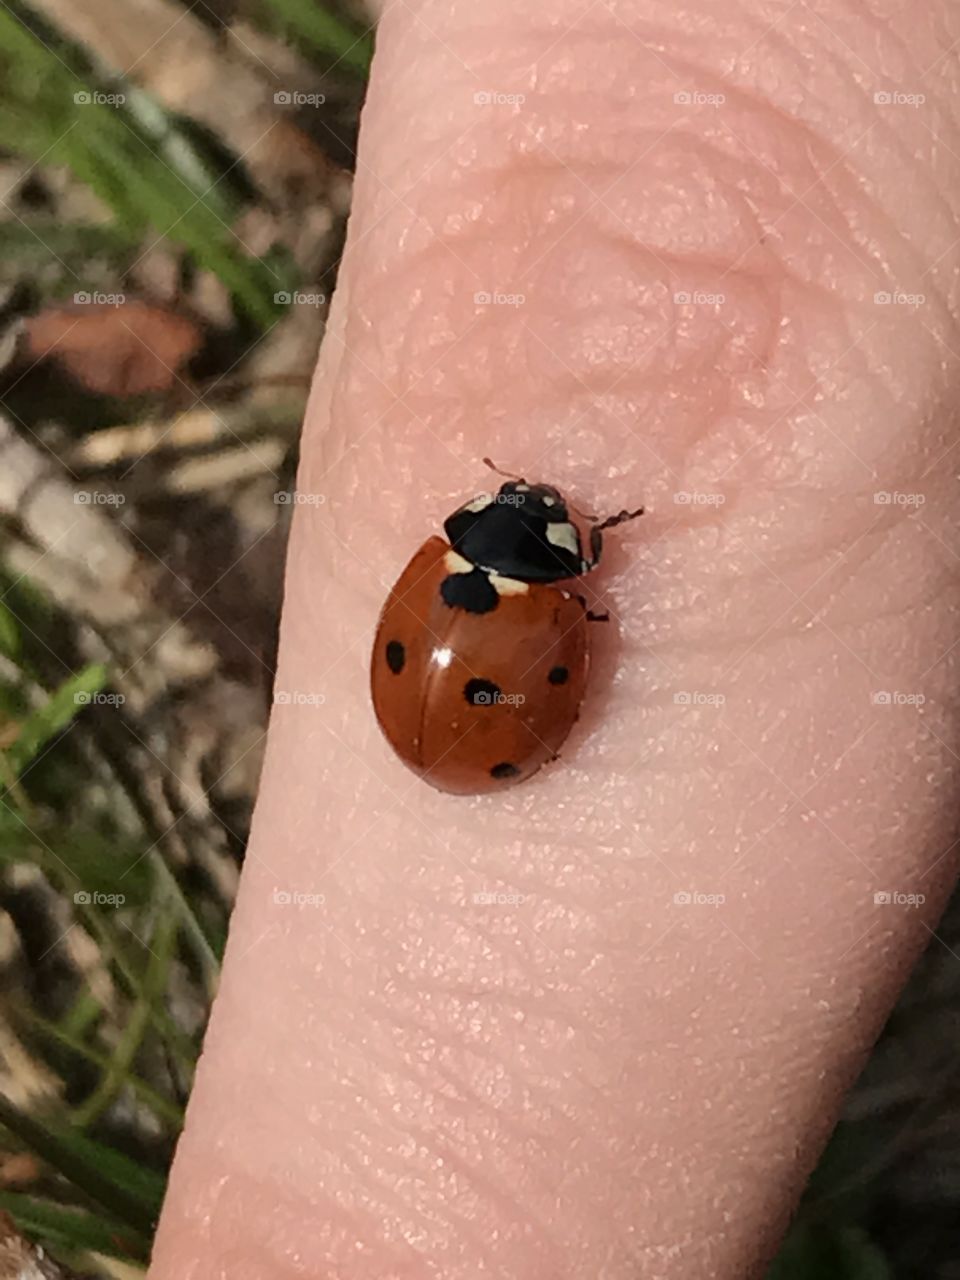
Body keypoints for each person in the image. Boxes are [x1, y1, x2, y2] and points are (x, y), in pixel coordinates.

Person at [149, 0, 960, 1274]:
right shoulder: (546, 592)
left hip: (452, 731)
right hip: (459, 731)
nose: (540, 501)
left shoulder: (489, 577)